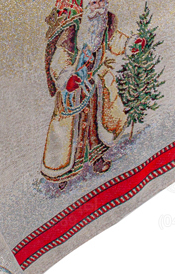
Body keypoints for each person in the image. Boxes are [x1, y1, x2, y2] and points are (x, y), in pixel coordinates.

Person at [42, 0, 135, 189]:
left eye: (101, 2)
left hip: (94, 88)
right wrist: (67, 78)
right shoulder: (71, 30)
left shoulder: (105, 23)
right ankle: (62, 173)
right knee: (68, 135)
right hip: (72, 92)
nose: (97, 6)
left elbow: (115, 40)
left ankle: (96, 159)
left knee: (94, 126)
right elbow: (59, 59)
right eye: (93, 2)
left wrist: (129, 44)